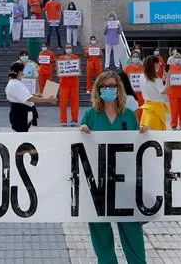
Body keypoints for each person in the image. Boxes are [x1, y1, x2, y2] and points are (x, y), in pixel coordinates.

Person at [80, 71, 148, 264]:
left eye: (112, 86)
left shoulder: (128, 115)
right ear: (98, 90)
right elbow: (79, 147)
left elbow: (138, 147)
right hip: (98, 182)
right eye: (104, 86)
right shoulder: (90, 115)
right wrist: (81, 132)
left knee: (131, 230)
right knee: (100, 231)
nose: (108, 90)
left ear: (119, 89)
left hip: (124, 182)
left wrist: (144, 133)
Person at [6, 62, 55, 132]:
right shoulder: (15, 84)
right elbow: (30, 99)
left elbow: (25, 96)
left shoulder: (14, 83)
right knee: (22, 135)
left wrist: (37, 95)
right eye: (23, 71)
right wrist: (47, 100)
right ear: (19, 72)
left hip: (20, 113)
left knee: (23, 134)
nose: (23, 73)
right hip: (20, 115)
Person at [140, 55, 169, 130]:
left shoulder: (142, 76)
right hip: (156, 109)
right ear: (154, 64)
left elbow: (153, 87)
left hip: (147, 107)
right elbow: (164, 91)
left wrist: (163, 79)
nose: (159, 65)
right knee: (156, 133)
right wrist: (169, 80)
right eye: (158, 63)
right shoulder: (156, 79)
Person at [56, 43, 81, 126]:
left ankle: (74, 119)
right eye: (67, 47)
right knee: (63, 103)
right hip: (64, 83)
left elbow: (78, 69)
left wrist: (76, 71)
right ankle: (63, 120)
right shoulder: (61, 58)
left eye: (70, 47)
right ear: (65, 49)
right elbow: (58, 70)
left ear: (72, 48)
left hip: (74, 83)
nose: (68, 49)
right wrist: (59, 72)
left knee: (75, 102)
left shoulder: (76, 58)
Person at [166, 52, 181, 130]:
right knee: (174, 110)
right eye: (176, 57)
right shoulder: (170, 67)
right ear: (173, 59)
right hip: (173, 92)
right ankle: (174, 124)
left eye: (179, 57)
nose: (178, 59)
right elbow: (167, 79)